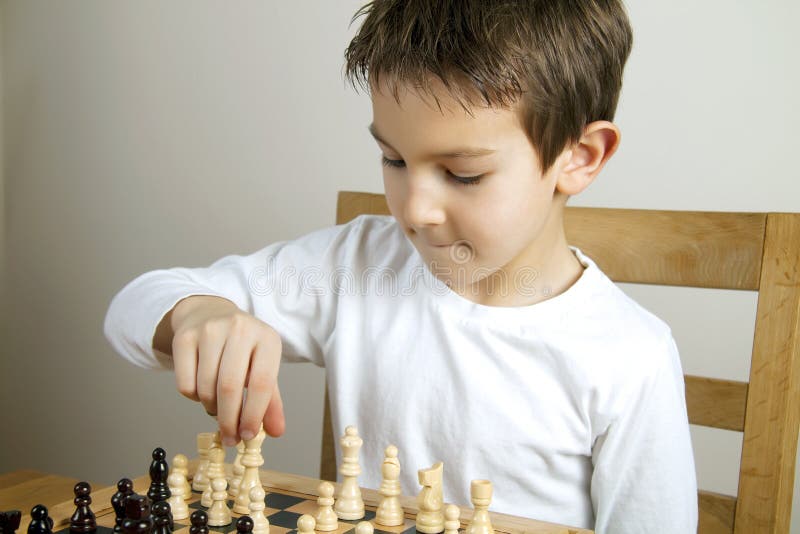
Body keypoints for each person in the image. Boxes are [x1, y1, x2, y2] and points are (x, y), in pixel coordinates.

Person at [104, 1, 697, 531]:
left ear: (579, 157)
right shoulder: (355, 266)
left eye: (464, 174)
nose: (415, 210)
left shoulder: (630, 356)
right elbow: (134, 309)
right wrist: (196, 313)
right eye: (392, 159)